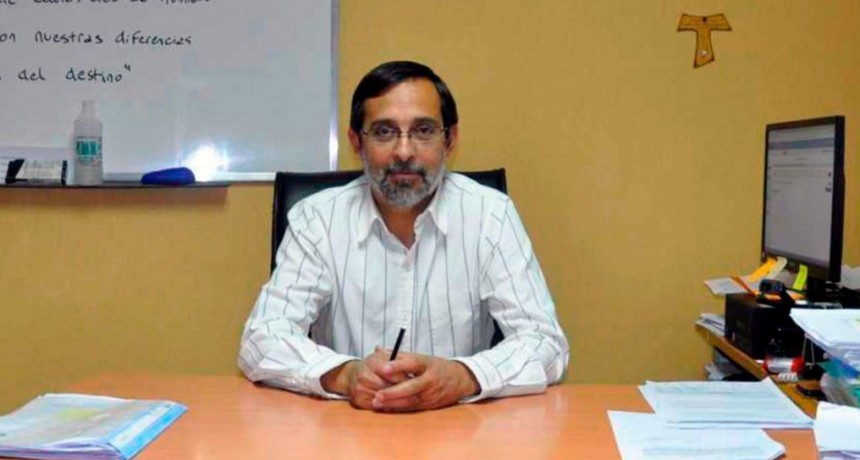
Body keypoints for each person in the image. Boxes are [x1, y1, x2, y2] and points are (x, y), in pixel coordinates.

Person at [238, 61, 568, 412]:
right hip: (347, 426)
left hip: (458, 425)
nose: (404, 152)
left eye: (423, 130)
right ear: (356, 142)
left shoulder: (490, 215)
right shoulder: (317, 218)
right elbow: (262, 338)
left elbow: (545, 341)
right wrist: (346, 375)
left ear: (450, 140)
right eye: (384, 132)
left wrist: (464, 376)